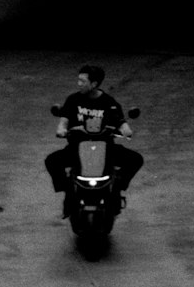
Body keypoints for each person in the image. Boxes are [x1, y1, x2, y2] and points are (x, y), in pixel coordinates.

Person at [44, 65, 142, 210]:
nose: (79, 84)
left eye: (83, 81)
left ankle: (117, 185)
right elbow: (63, 121)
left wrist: (126, 130)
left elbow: (122, 123)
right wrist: (62, 130)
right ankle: (68, 190)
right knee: (52, 161)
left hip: (106, 150)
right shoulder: (73, 100)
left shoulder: (109, 103)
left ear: (94, 84)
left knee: (136, 159)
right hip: (77, 149)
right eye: (79, 80)